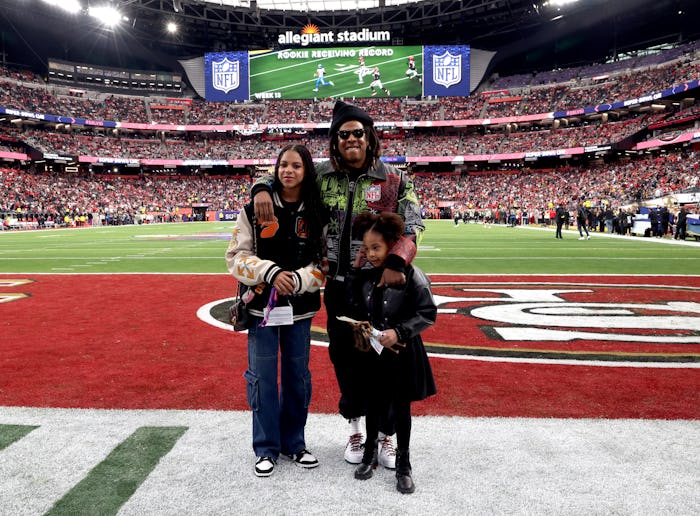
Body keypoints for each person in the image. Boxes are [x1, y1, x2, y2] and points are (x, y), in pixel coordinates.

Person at [252, 100, 424, 469]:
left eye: (358, 132)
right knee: (345, 360)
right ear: (334, 140)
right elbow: (286, 173)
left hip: (381, 288)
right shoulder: (322, 175)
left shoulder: (393, 179)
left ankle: (388, 435)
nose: (351, 139)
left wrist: (397, 260)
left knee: (385, 360)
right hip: (338, 287)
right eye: (343, 133)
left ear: (370, 137)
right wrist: (261, 187)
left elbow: (414, 224)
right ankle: (356, 429)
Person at [225, 144, 326, 477]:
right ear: (276, 168)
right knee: (262, 379)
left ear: (306, 170)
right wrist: (270, 272)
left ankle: (294, 443)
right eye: (283, 165)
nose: (289, 171)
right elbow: (236, 257)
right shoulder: (253, 208)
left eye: (296, 165)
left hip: (300, 309)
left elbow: (326, 261)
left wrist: (298, 279)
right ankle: (266, 447)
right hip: (261, 312)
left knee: (298, 379)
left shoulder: (318, 209)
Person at [345, 211, 436, 494]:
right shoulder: (367, 274)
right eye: (366, 248)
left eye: (376, 248)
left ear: (393, 245)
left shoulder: (411, 274)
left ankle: (403, 463)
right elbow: (355, 307)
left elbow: (428, 312)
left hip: (402, 352)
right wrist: (354, 272)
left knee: (401, 409)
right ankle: (370, 453)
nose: (371, 254)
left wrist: (400, 331)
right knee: (372, 403)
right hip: (374, 353)